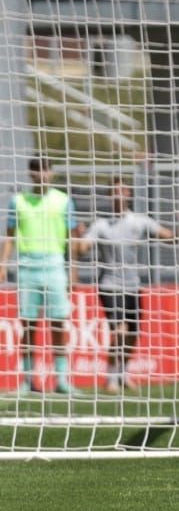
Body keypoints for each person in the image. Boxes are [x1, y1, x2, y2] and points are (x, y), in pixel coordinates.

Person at [74, 178, 179, 394]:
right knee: (119, 331)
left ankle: (123, 373)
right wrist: (78, 238)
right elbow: (83, 249)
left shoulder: (140, 221)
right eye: (114, 191)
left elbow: (171, 238)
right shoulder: (101, 225)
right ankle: (111, 376)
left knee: (132, 334)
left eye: (122, 190)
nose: (119, 194)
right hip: (110, 285)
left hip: (133, 285)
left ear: (129, 193)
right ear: (109, 195)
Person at [0, 157, 85, 394]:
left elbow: (72, 240)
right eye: (37, 170)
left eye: (45, 169)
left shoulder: (63, 200)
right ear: (31, 173)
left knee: (59, 322)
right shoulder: (18, 201)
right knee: (28, 324)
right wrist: (3, 264)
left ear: (51, 172)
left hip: (55, 266)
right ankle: (28, 380)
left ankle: (61, 379)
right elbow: (10, 236)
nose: (42, 174)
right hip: (27, 267)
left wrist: (73, 272)